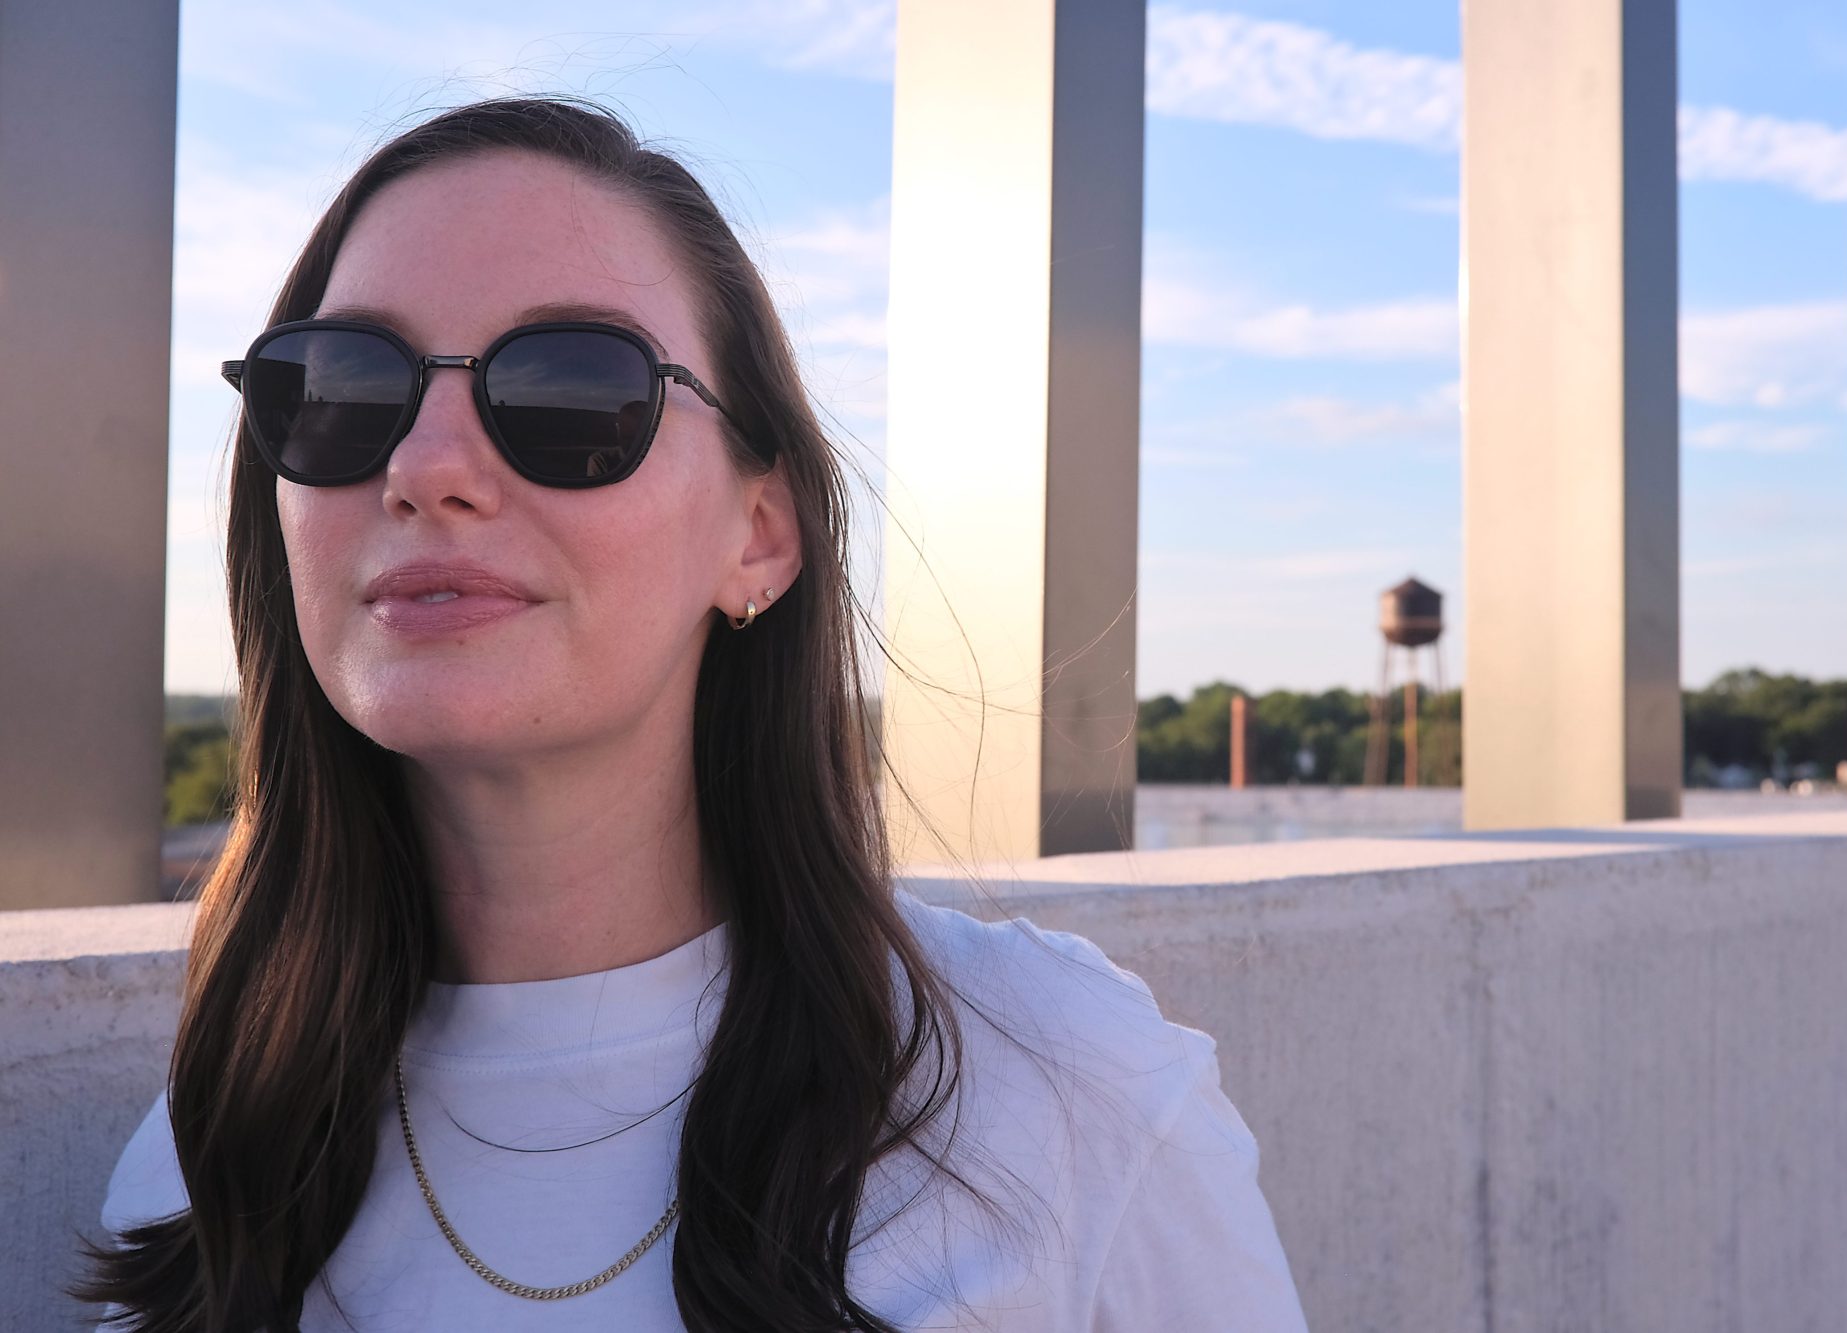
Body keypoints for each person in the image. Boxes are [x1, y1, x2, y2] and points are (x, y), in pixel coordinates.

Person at [84, 96, 1307, 1331]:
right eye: (341, 387)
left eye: (569, 392)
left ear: (759, 534)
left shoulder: (1065, 1092)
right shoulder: (214, 1146)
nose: (426, 467)